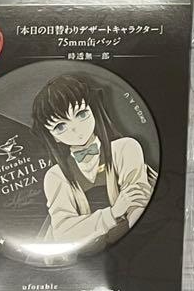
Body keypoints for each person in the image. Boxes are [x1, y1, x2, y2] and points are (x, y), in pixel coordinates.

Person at [31, 74, 154, 256]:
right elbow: (63, 233)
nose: (75, 128)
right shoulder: (55, 176)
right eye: (60, 127)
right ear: (53, 137)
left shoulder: (125, 148)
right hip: (83, 258)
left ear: (93, 111)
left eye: (81, 114)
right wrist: (113, 213)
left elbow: (138, 202)